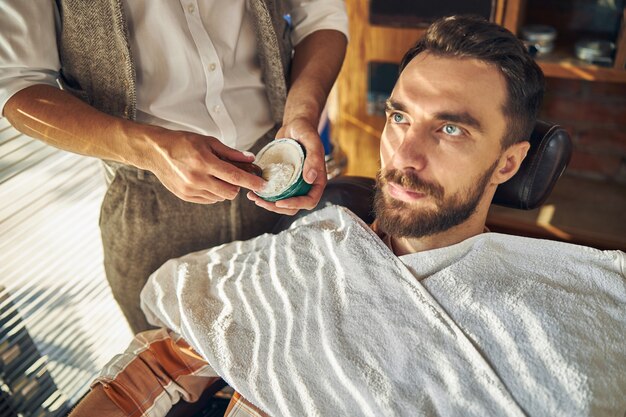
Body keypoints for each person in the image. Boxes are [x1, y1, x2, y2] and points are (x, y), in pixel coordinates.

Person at [70, 15, 626, 417]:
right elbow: (162, 362)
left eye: (451, 128)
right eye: (400, 116)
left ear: (508, 162)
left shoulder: (575, 301)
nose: (404, 156)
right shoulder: (314, 249)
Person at [0, 1, 349, 333]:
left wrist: (301, 115)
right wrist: (150, 150)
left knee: (293, 339)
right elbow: (20, 84)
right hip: (149, 208)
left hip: (276, 181)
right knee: (178, 380)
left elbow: (321, 17)